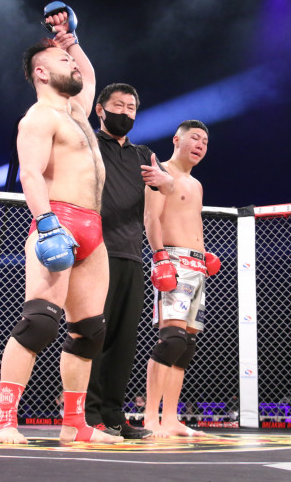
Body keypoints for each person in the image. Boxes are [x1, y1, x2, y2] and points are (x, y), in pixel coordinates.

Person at [0, 2, 121, 445]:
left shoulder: (77, 112)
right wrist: (46, 224)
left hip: (93, 228)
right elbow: (30, 174)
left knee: (89, 331)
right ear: (41, 73)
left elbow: (90, 76)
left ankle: (74, 424)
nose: (72, 64)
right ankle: (4, 421)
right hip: (57, 220)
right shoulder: (39, 117)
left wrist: (71, 41)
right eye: (62, 60)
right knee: (40, 323)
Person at [84, 82, 174, 440]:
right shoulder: (87, 143)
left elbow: (164, 195)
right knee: (91, 334)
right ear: (100, 109)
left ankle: (114, 415)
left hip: (132, 255)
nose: (125, 113)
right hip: (93, 251)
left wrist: (166, 182)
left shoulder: (143, 155)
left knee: (123, 341)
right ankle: (88, 416)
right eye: (118, 106)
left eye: (131, 108)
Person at [142, 120, 220, 438]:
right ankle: (150, 417)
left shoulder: (196, 184)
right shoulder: (161, 172)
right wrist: (159, 256)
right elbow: (151, 217)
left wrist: (204, 253)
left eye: (205, 141)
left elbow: (192, 223)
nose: (200, 145)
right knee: (171, 339)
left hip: (197, 265)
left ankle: (171, 419)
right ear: (177, 139)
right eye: (195, 138)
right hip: (172, 261)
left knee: (186, 346)